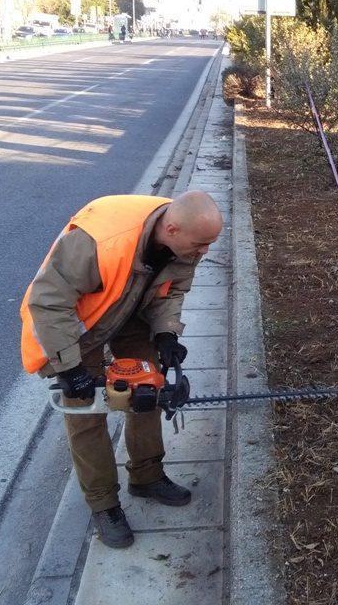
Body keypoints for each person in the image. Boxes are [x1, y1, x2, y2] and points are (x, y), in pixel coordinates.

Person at [19, 191, 223, 548]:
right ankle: (104, 504)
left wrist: (166, 333)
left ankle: (146, 475)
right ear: (172, 229)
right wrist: (70, 368)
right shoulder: (97, 243)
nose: (205, 251)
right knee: (86, 410)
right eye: (201, 244)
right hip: (78, 323)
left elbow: (171, 292)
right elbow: (48, 301)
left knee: (149, 387)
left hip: (132, 307)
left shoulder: (187, 242)